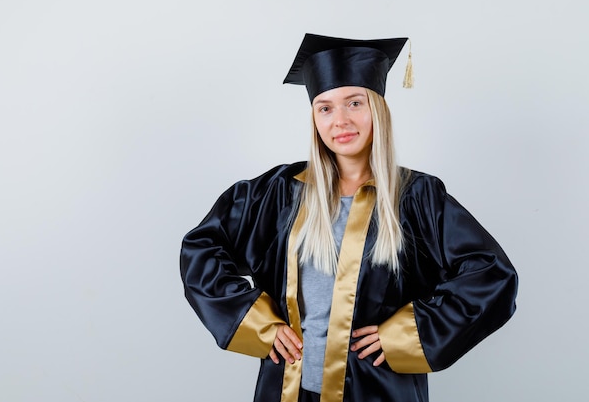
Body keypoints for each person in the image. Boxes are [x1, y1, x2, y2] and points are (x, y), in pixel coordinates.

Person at [180, 33, 518, 402]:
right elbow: (202, 247)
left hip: (378, 391)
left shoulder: (415, 197)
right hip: (288, 391)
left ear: (377, 108)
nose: (339, 120)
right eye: (325, 107)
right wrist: (258, 323)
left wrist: (406, 334)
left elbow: (492, 276)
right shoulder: (277, 193)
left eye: (354, 103)